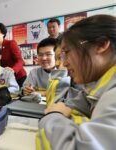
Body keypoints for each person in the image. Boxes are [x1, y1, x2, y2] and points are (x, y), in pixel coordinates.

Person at [36, 15, 116, 150]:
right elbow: (67, 107)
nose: (64, 63)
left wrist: (53, 116)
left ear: (101, 44)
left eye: (66, 52)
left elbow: (56, 109)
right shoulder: (94, 89)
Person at [0, 23, 26, 87]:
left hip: (18, 77)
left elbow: (20, 60)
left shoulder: (10, 43)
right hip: (5, 79)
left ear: (3, 33)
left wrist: (13, 70)